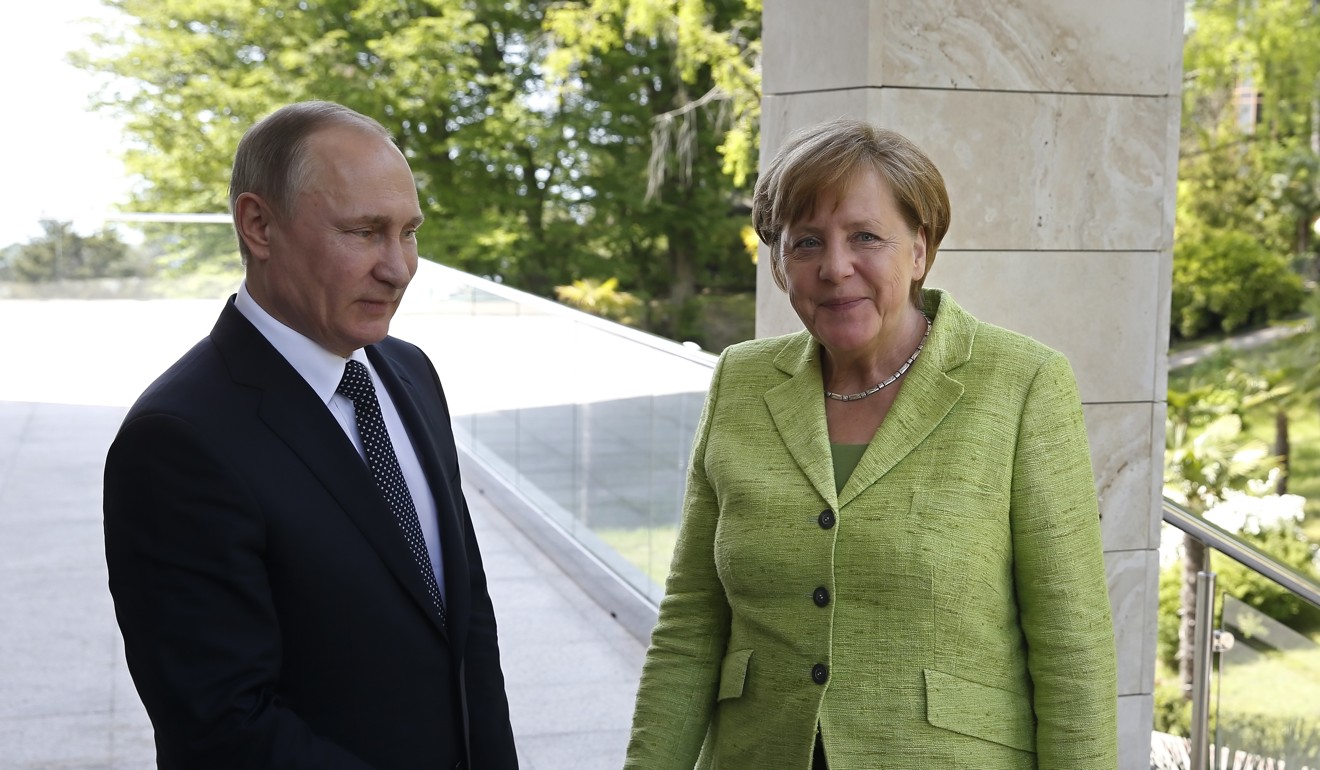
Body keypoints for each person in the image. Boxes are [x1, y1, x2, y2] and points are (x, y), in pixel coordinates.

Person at [622, 118, 1118, 769]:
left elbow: (1071, 647)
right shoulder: (740, 381)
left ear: (920, 249)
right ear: (780, 264)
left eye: (865, 236)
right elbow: (691, 625)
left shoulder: (1021, 382)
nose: (834, 267)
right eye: (805, 242)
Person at [103, 101, 519, 769]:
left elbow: (466, 620)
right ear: (258, 225)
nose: (400, 267)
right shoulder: (176, 439)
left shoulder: (408, 371)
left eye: (409, 232)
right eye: (363, 231)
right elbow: (222, 727)